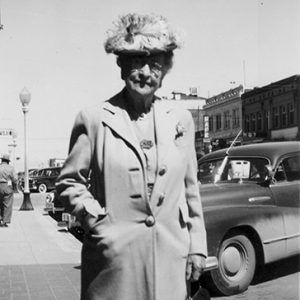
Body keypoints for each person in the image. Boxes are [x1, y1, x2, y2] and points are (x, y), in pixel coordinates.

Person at [56, 13, 207, 300]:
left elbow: (191, 190)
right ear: (122, 65)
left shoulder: (180, 119)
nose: (146, 73)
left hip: (170, 258)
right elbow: (68, 184)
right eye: (137, 62)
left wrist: (197, 245)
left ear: (165, 70)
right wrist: (97, 222)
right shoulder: (94, 119)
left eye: (155, 64)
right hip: (113, 262)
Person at [0, 154, 17, 227]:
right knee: (7, 204)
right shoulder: (11, 168)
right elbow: (15, 179)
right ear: (8, 161)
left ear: (2, 160)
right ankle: (5, 221)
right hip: (7, 186)